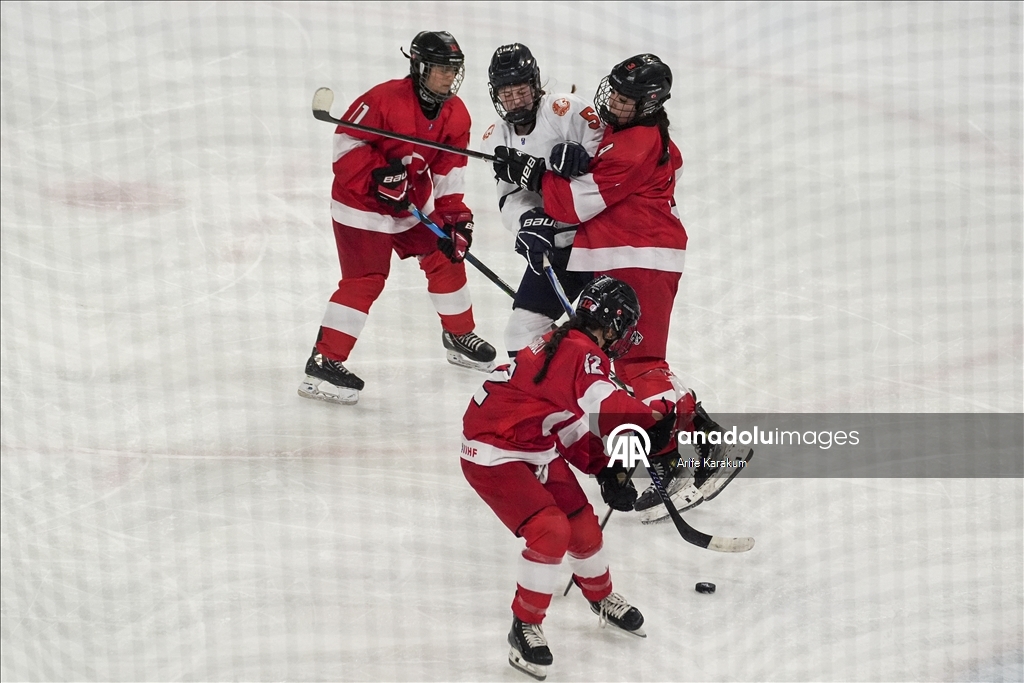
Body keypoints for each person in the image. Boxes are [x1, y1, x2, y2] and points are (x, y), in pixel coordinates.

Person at [490, 54, 752, 522]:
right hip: (622, 253)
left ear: (650, 103)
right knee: (630, 363)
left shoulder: (636, 142)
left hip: (640, 256)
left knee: (639, 364)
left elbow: (575, 203)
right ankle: (701, 439)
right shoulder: (628, 133)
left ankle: (690, 455)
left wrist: (534, 174)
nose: (613, 102)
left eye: (625, 99)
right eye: (612, 91)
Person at [461, 275, 680, 680]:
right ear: (613, 325)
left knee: (583, 528)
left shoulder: (568, 344)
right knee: (550, 530)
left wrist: (604, 468)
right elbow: (607, 407)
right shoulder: (581, 353)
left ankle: (600, 597)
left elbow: (566, 421)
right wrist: (656, 418)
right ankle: (524, 625)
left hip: (530, 441)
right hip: (492, 453)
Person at [299, 30, 497, 405]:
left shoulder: (457, 114)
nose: (448, 77)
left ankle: (458, 335)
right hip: (361, 207)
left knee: (446, 254)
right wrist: (377, 175)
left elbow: (449, 171)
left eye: (453, 70)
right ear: (419, 67)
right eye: (440, 69)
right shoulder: (383, 99)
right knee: (366, 279)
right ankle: (324, 361)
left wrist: (455, 218)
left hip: (411, 205)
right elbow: (345, 146)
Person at [478, 43, 605, 358]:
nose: (514, 101)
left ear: (535, 85)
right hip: (556, 247)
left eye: (520, 91)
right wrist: (528, 221)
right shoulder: (497, 137)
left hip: (602, 242)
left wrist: (585, 157)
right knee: (520, 336)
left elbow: (614, 165)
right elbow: (510, 198)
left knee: (606, 334)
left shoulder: (567, 110)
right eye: (506, 95)